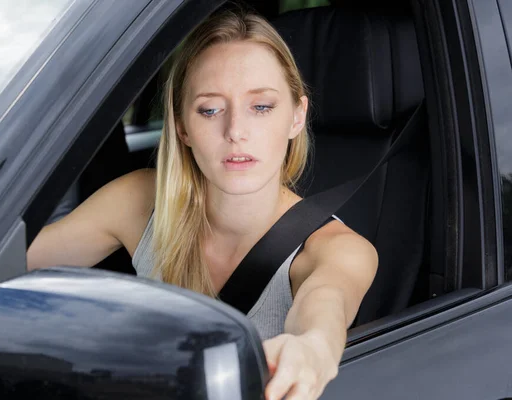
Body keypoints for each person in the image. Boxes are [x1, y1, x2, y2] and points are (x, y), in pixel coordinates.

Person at [27, 7, 378, 400]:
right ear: (182, 127)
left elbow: (325, 306)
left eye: (261, 107)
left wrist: (312, 349)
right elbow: (1, 267)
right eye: (210, 110)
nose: (236, 132)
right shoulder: (138, 202)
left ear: (297, 116)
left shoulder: (338, 250)